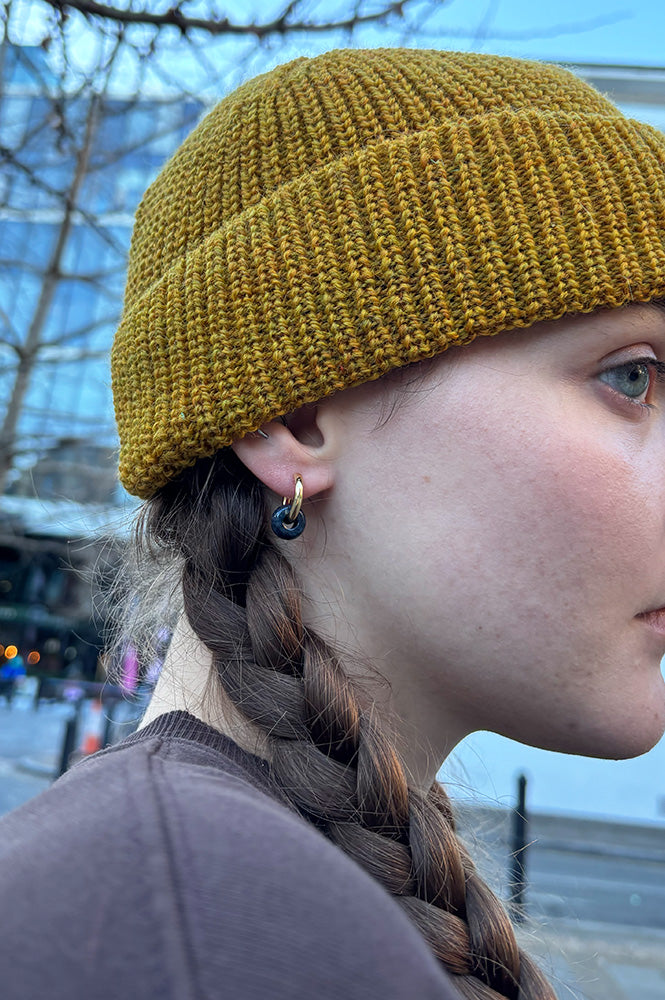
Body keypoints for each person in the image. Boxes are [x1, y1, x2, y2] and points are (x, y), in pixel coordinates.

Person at [2, 47, 665, 1000]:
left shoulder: (215, 895)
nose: (646, 401)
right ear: (297, 416)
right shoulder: (188, 929)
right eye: (632, 377)